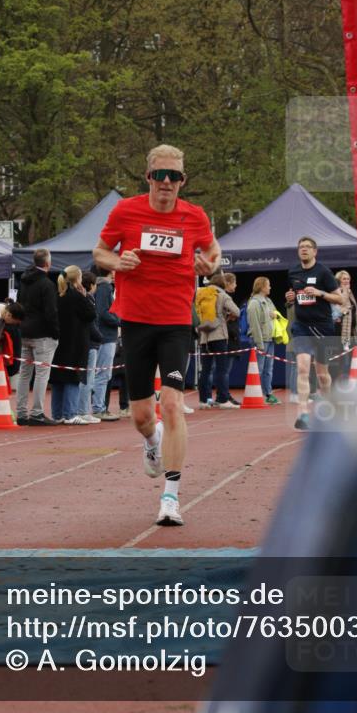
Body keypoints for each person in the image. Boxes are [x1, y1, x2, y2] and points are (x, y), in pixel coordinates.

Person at [93, 143, 220, 527]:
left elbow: (214, 252)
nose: (167, 183)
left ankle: (171, 497)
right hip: (135, 321)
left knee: (171, 404)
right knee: (142, 415)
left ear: (183, 180)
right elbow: (100, 252)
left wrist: (209, 263)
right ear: (148, 177)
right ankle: (152, 443)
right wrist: (119, 261)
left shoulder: (194, 216)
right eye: (160, 175)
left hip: (176, 323)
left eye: (174, 176)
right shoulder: (126, 211)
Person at [285, 236, 344, 431]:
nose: (304, 250)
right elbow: (295, 297)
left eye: (308, 247)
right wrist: (290, 297)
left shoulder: (324, 272)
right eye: (301, 247)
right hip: (301, 326)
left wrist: (320, 294)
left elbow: (340, 299)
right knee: (303, 367)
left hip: (322, 327)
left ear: (315, 251)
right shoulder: (293, 271)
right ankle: (303, 413)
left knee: (322, 374)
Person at [15, 248, 59, 427]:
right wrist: (56, 333)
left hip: (25, 332)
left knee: (24, 374)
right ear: (47, 263)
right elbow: (51, 312)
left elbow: (18, 304)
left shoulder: (24, 281)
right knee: (42, 374)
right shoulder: (47, 285)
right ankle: (37, 413)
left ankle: (21, 412)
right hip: (43, 335)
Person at [49, 266, 96, 425]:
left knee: (57, 379)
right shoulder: (77, 296)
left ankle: (57, 414)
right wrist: (85, 296)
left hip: (58, 343)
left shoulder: (57, 296)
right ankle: (70, 414)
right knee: (72, 377)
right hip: (75, 343)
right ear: (77, 279)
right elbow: (90, 315)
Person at [196, 272, 240, 409]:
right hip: (219, 336)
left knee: (205, 370)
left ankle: (204, 400)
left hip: (204, 337)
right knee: (221, 369)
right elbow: (237, 311)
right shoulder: (222, 295)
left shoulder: (201, 294)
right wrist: (226, 316)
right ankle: (222, 399)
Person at [91, 266, 121, 421]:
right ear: (110, 271)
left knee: (104, 373)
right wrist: (119, 321)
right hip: (106, 336)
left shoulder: (103, 287)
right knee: (103, 373)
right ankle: (98, 408)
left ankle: (100, 406)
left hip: (106, 335)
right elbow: (103, 313)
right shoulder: (105, 288)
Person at [246, 276, 279, 404]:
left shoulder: (268, 301)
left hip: (270, 339)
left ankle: (268, 394)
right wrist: (259, 344)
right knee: (258, 369)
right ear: (262, 286)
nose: (270, 287)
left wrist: (275, 315)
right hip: (261, 341)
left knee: (268, 369)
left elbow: (275, 313)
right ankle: (256, 395)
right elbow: (254, 325)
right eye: (268, 285)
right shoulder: (254, 303)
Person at [76, 271, 102, 424]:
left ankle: (81, 409)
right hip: (91, 344)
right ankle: (83, 410)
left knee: (85, 378)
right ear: (92, 285)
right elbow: (91, 324)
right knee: (87, 379)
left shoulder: (83, 297)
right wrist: (100, 337)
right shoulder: (88, 299)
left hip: (86, 342)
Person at [331, 270, 357, 380]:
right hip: (339, 332)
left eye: (348, 278)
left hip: (351, 331)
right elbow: (334, 310)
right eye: (344, 279)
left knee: (351, 358)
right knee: (337, 360)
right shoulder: (336, 293)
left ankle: (348, 382)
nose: (346, 281)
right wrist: (342, 311)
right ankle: (336, 383)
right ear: (339, 280)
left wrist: (356, 312)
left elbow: (352, 307)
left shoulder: (349, 292)